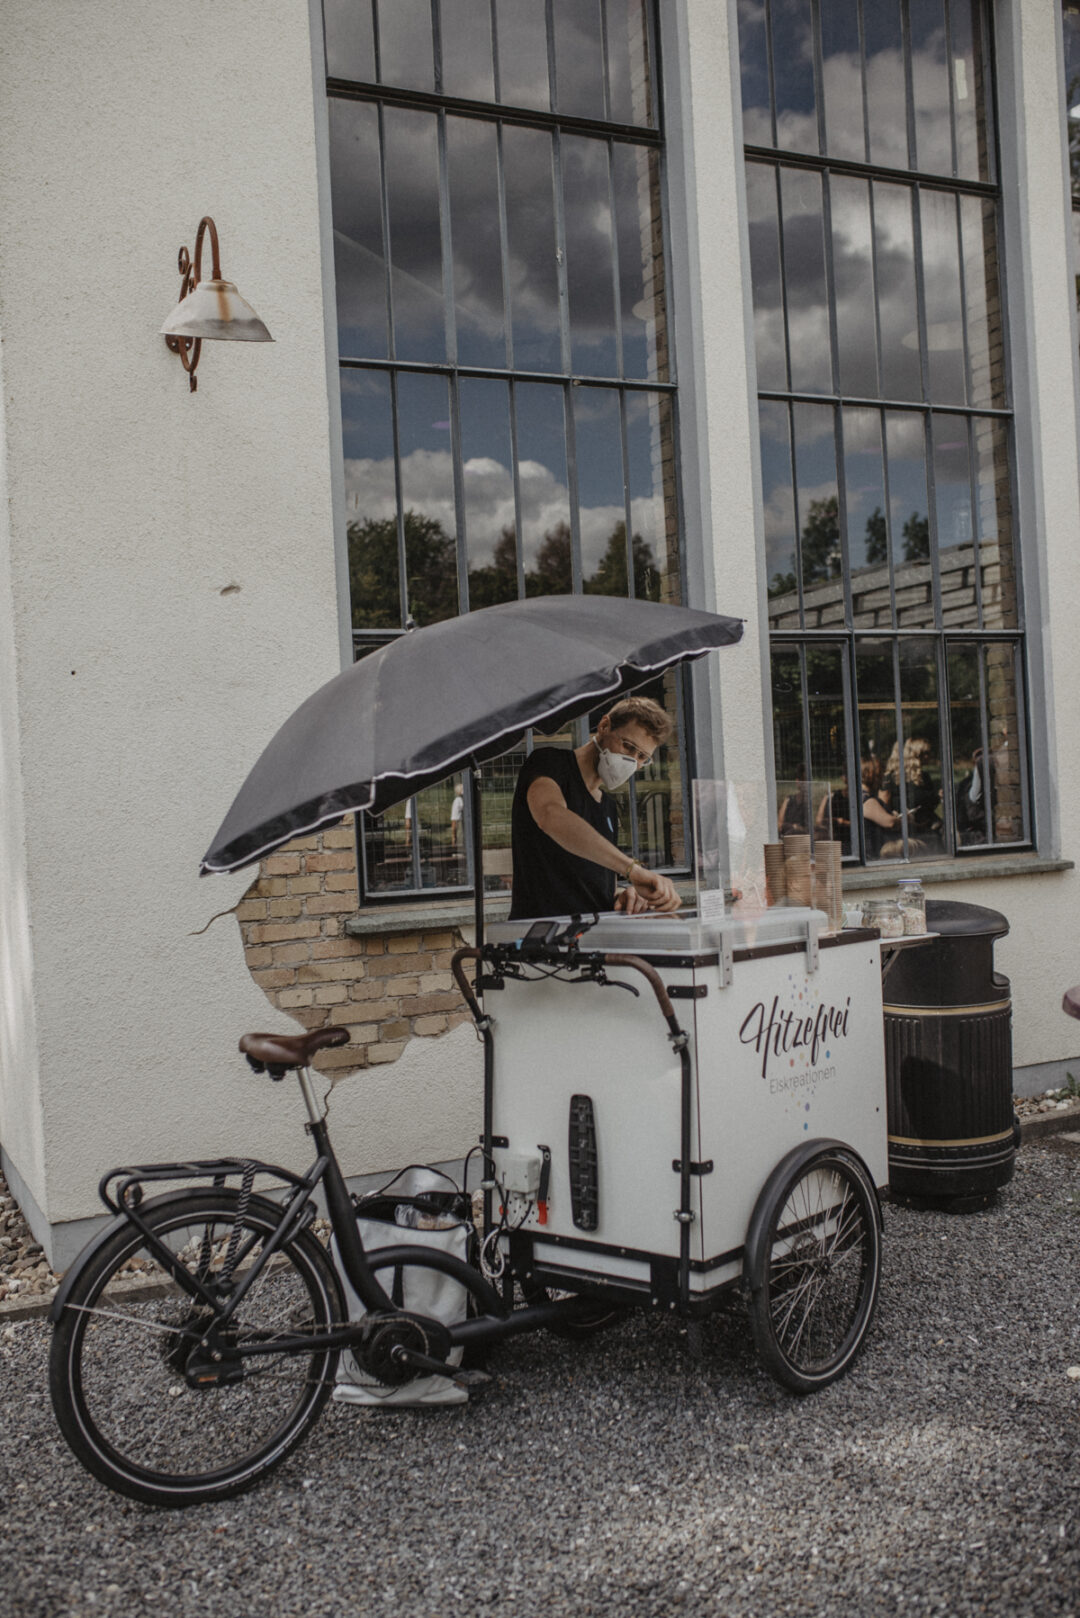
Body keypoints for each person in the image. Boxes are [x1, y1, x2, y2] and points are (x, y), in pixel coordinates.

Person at [508, 695, 681, 921]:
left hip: (594, 932)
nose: (632, 761)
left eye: (642, 757)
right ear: (604, 726)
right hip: (544, 930)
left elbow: (598, 885)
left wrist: (624, 895)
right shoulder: (549, 763)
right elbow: (550, 816)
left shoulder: (607, 807)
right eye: (628, 746)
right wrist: (632, 869)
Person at [861, 757, 900, 859]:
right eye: (880, 774)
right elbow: (889, 822)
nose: (883, 778)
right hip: (872, 856)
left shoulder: (866, 797)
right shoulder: (867, 800)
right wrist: (902, 819)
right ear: (870, 774)